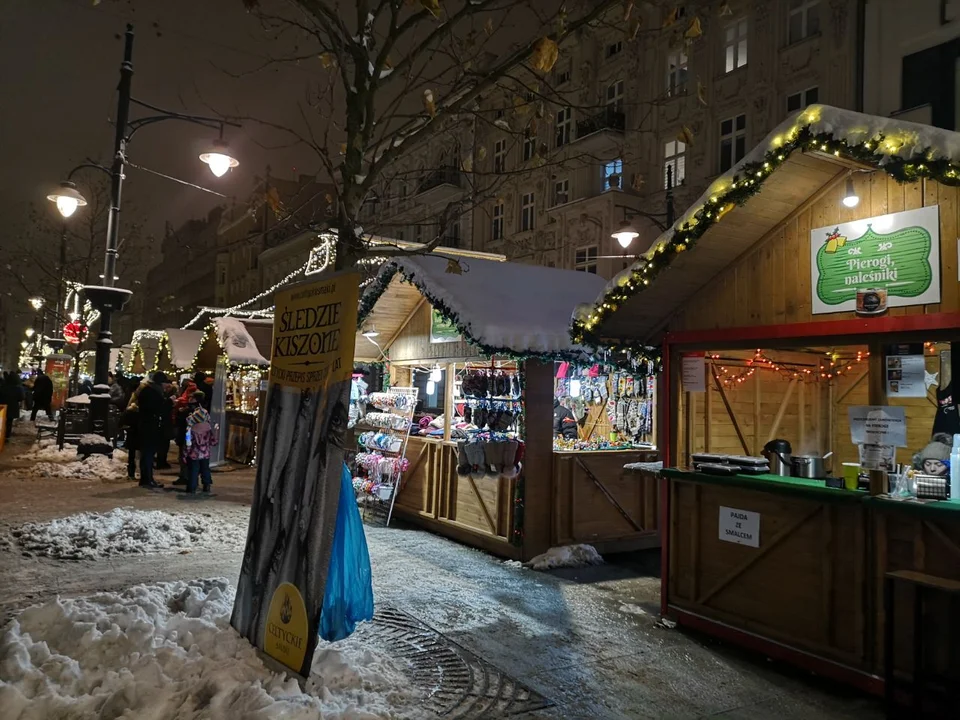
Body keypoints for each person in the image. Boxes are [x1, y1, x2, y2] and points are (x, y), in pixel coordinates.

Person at [135, 372, 167, 489]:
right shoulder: (153, 392)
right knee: (148, 453)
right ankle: (147, 479)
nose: (166, 386)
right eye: (165, 383)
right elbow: (155, 408)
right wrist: (167, 403)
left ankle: (146, 478)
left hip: (146, 425)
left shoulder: (148, 390)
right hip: (149, 426)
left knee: (147, 453)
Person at [185, 390, 216, 494]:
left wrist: (186, 451)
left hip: (194, 452)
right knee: (205, 469)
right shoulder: (208, 427)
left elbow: (188, 441)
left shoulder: (191, 429)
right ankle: (206, 485)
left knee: (193, 470)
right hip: (205, 452)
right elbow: (212, 439)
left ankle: (191, 487)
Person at [121, 387, 142, 481]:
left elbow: (121, 423)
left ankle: (131, 473)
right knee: (141, 455)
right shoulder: (143, 410)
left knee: (132, 455)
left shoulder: (130, 410)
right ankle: (142, 473)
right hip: (140, 433)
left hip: (132, 434)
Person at [156, 382, 176, 470]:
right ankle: (161, 461)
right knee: (163, 443)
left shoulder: (163, 396)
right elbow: (164, 409)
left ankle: (162, 460)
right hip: (165, 423)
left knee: (164, 443)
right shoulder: (166, 399)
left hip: (165, 423)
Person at [1, 372, 24, 439]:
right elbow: (21, 397)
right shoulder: (18, 388)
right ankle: (7, 436)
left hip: (2, 406)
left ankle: (1, 433)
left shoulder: (3, 386)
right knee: (9, 422)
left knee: (1, 420)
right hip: (12, 407)